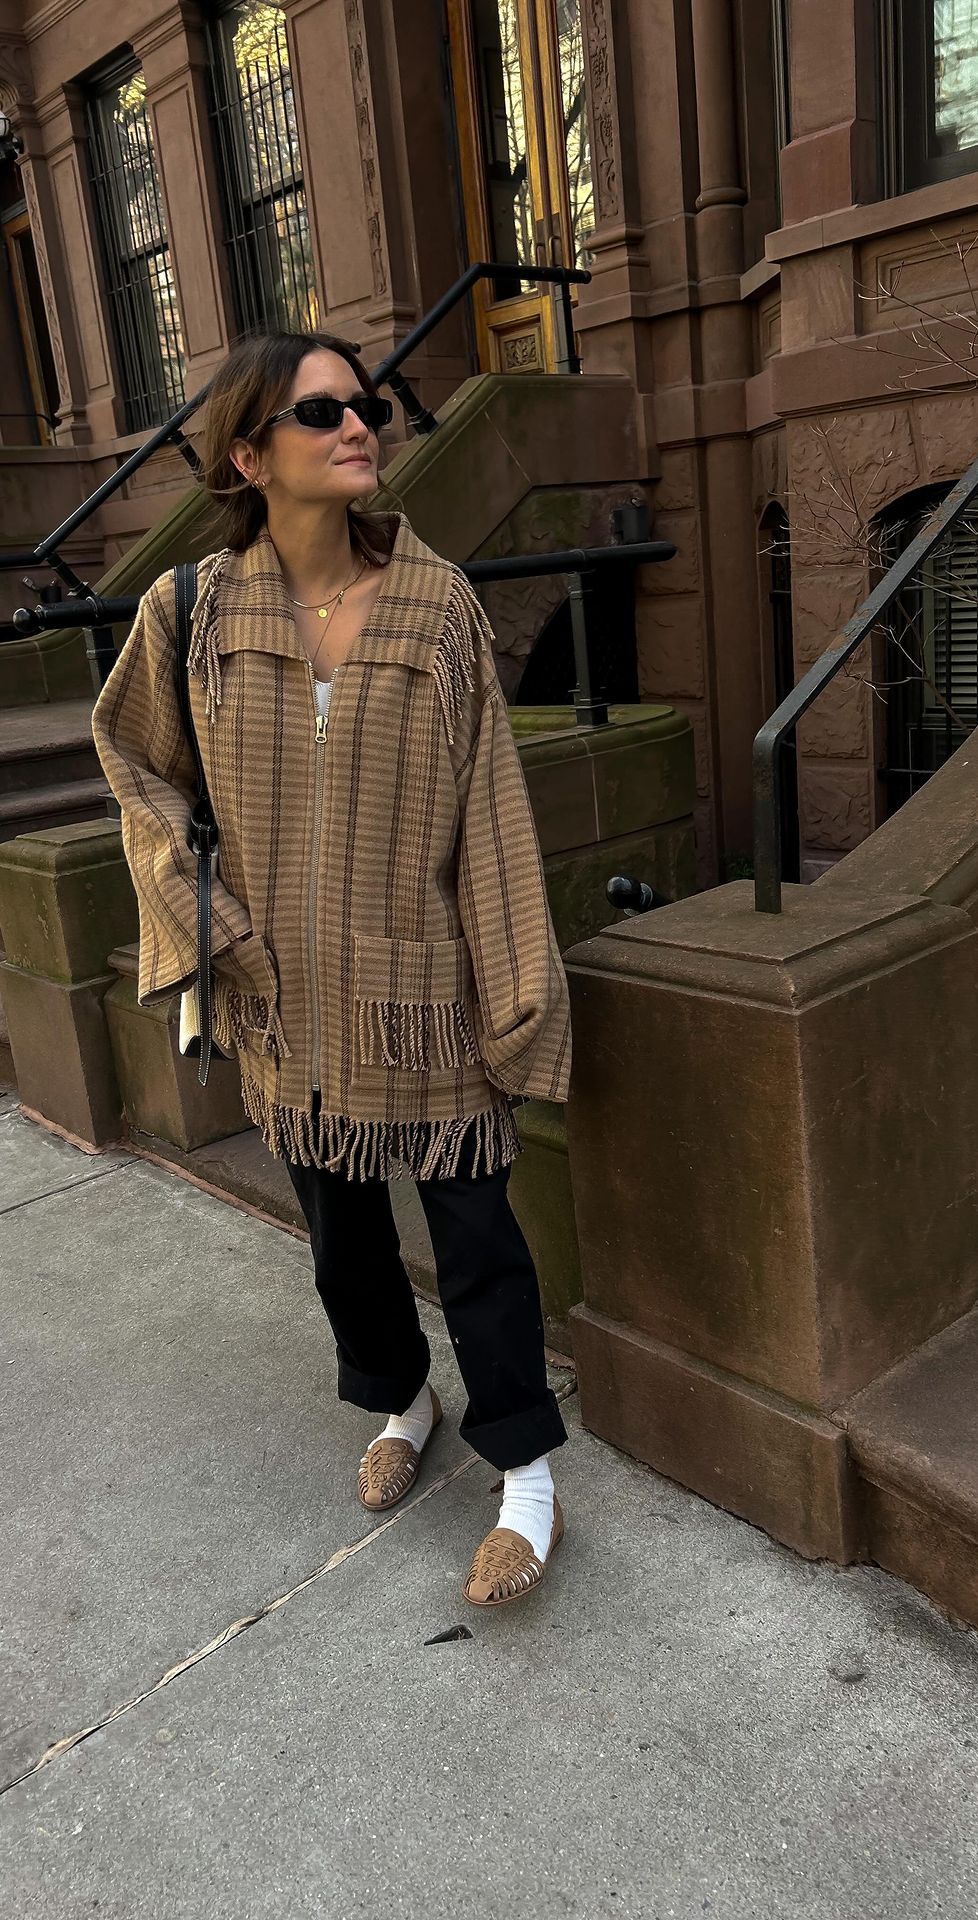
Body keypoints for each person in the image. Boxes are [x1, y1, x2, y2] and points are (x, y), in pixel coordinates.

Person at [91, 330, 571, 1608]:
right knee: (341, 1242)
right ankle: (403, 1401)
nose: (358, 423)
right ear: (249, 455)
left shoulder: (437, 603)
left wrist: (520, 997)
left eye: (366, 405)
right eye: (320, 411)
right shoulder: (191, 613)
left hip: (427, 1000)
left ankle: (526, 1475)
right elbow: (133, 766)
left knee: (479, 1243)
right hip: (282, 1000)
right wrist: (203, 918)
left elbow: (492, 813)